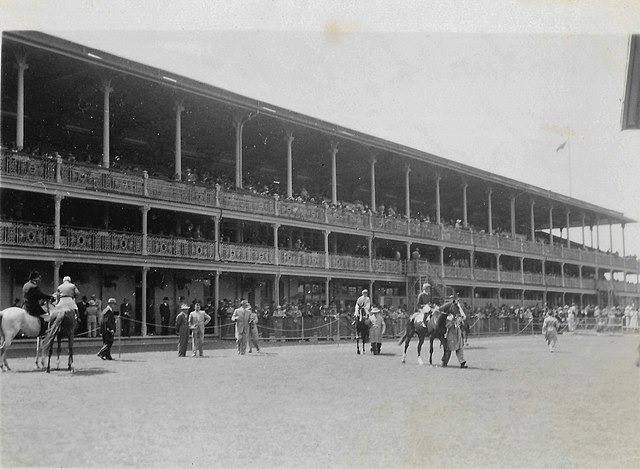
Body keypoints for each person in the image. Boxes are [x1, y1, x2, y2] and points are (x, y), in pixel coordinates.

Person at [442, 303, 468, 368]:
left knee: (459, 348)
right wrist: (453, 321)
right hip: (451, 333)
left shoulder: (458, 316)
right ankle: (444, 362)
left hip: (458, 332)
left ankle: (462, 362)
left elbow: (464, 317)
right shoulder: (449, 316)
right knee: (449, 349)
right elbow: (447, 326)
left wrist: (459, 307)